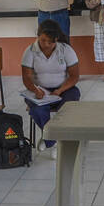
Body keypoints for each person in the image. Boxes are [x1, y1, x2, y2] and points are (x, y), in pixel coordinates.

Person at [20, 19, 80, 158]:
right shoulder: (30, 51)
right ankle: (53, 140)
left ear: (56, 39)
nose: (46, 44)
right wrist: (35, 90)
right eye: (43, 40)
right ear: (38, 36)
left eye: (50, 42)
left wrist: (59, 90)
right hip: (39, 90)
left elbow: (74, 76)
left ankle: (52, 139)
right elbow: (26, 78)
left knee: (68, 109)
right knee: (37, 110)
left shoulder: (65, 49)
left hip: (65, 89)